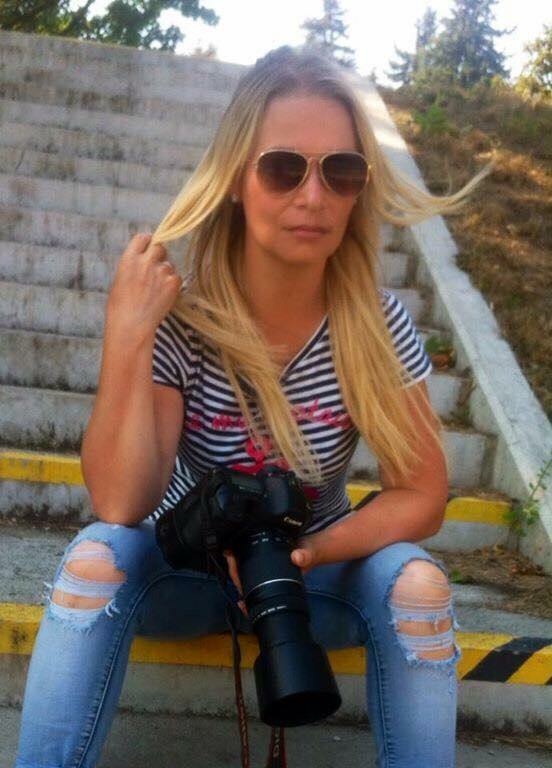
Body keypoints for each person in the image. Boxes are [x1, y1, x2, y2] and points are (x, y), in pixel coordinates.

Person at [13, 46, 491, 768]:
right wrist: (128, 333)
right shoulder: (186, 320)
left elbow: (421, 496)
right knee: (93, 560)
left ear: (358, 190)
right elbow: (120, 500)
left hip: (308, 575)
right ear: (236, 178)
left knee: (419, 582)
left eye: (341, 170)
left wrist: (310, 552)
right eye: (282, 167)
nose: (314, 196)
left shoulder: (377, 324)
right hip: (187, 569)